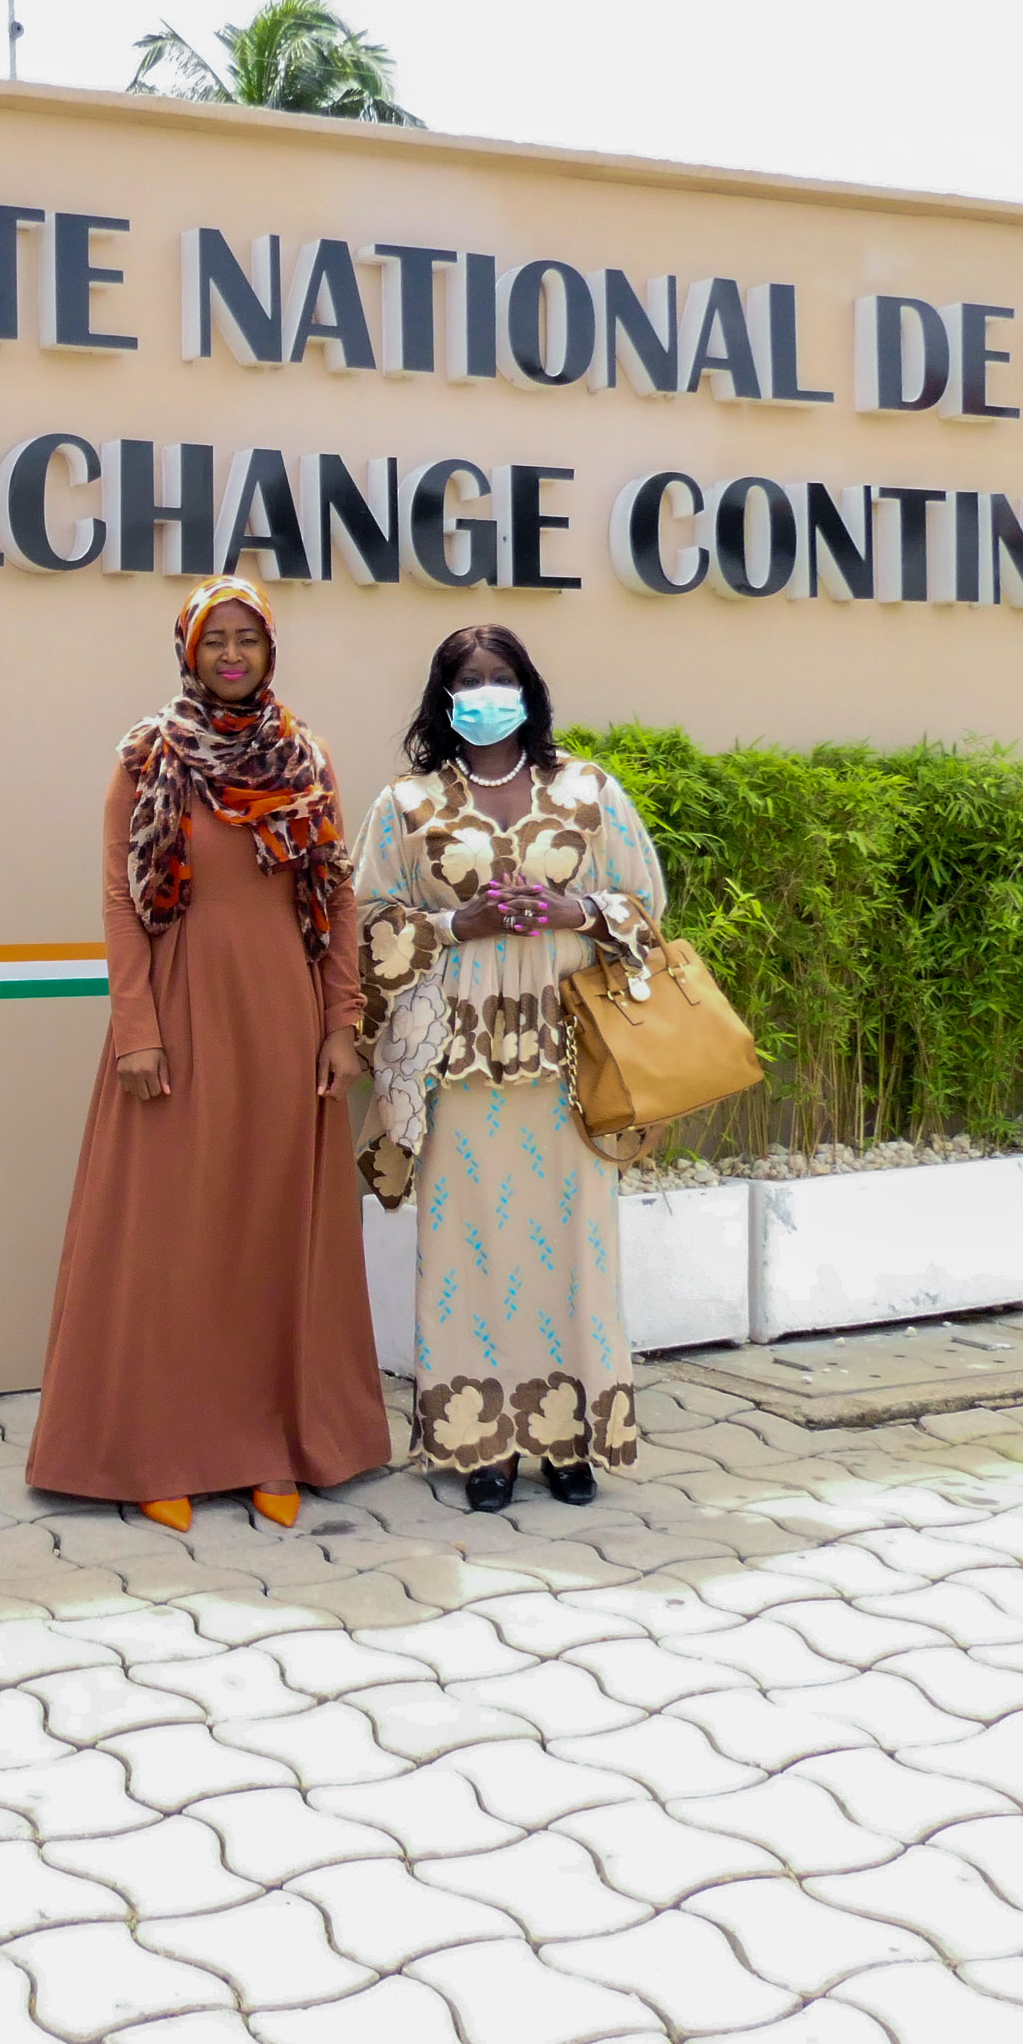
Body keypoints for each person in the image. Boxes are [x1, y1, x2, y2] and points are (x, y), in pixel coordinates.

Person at [27, 577, 391, 1532]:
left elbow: (335, 894)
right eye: (215, 640)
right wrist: (137, 1031)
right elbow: (121, 900)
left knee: (269, 1231)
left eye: (247, 639)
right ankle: (159, 1450)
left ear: (270, 649)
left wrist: (341, 1021)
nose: (232, 655)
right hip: (181, 1008)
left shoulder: (304, 755)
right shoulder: (148, 756)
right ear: (189, 652)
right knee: (172, 1237)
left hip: (282, 1011)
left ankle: (272, 1444)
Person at [352, 625, 669, 1512]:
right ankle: (481, 1442)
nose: (487, 692)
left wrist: (575, 910)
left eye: (502, 677)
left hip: (568, 1062)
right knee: (467, 1249)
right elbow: (364, 920)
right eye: (470, 679)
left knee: (574, 1248)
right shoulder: (406, 804)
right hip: (459, 1064)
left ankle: (568, 1438)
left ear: (528, 689)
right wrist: (459, 925)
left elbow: (647, 906)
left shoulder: (587, 791)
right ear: (444, 697)